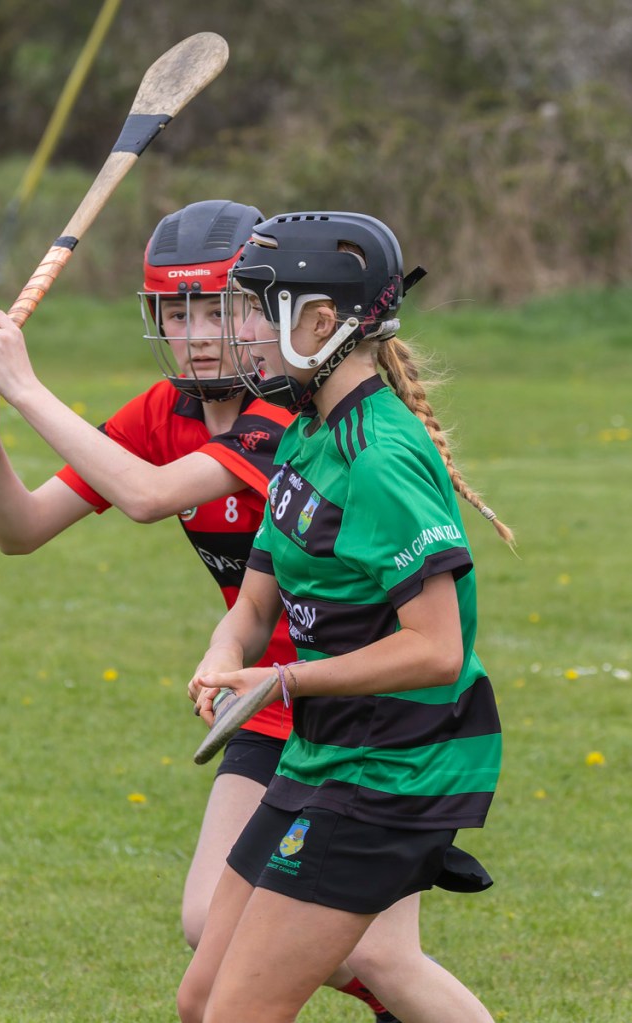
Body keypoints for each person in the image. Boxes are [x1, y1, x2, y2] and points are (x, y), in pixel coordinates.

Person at [0, 200, 408, 1022]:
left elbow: (149, 495)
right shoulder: (165, 413)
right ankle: (383, 986)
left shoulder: (287, 412)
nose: (196, 334)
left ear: (264, 307)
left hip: (364, 695)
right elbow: (22, 529)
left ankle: (394, 985)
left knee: (362, 951)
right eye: (176, 311)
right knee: (209, 931)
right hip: (267, 699)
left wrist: (27, 385)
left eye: (218, 309)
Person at [179, 210, 514, 1023]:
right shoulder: (306, 433)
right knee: (203, 1000)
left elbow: (437, 649)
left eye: (259, 310)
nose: (242, 333)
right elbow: (255, 598)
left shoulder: (378, 457)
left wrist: (283, 681)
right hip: (327, 752)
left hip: (392, 768)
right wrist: (225, 655)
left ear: (321, 321)